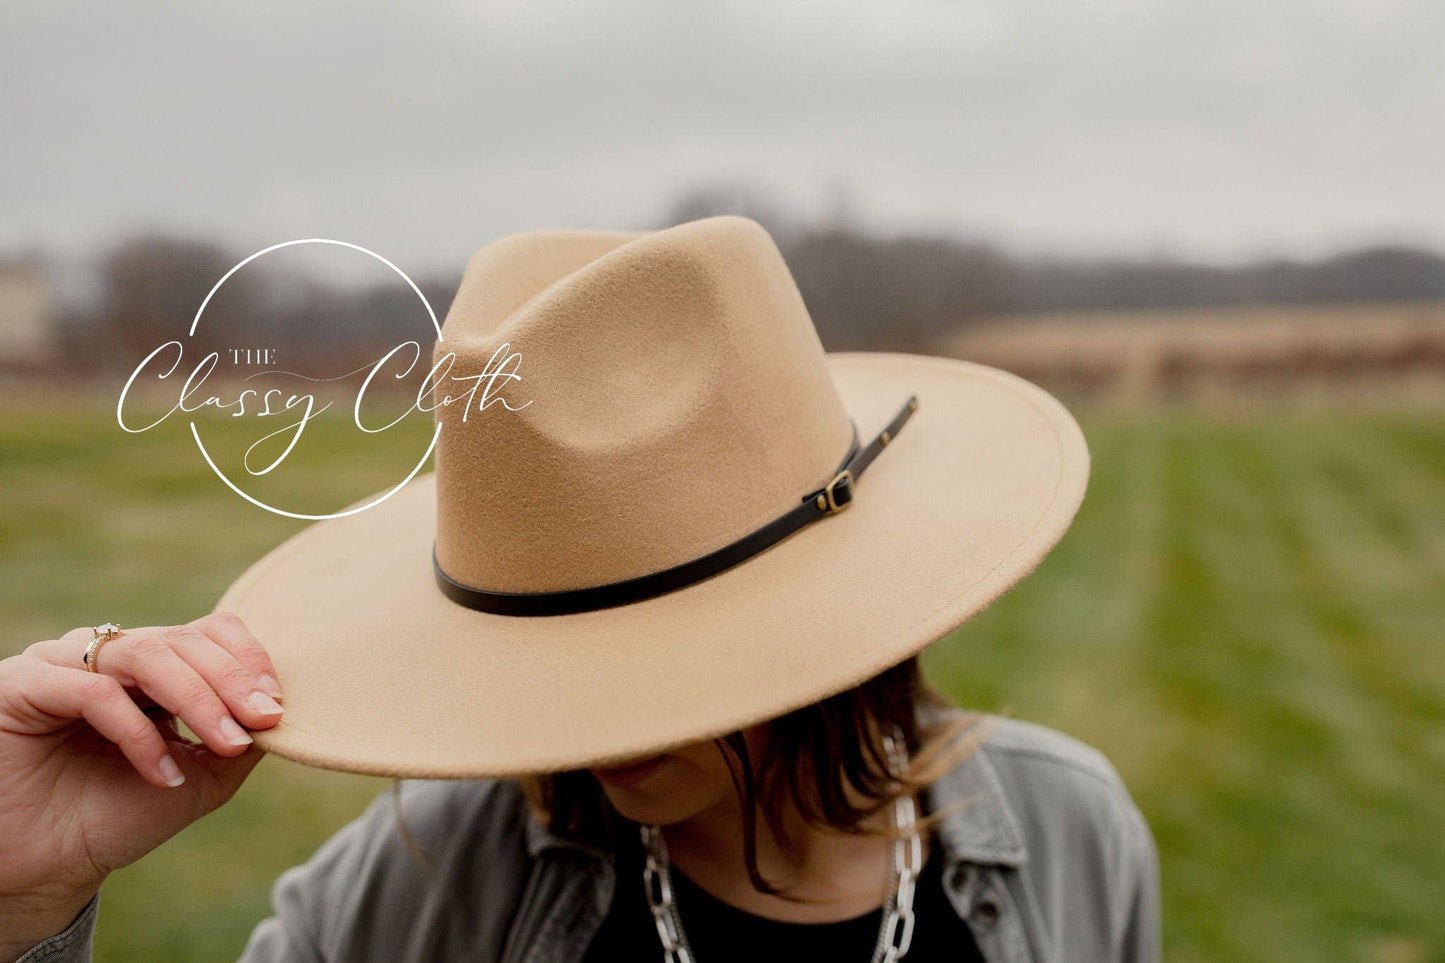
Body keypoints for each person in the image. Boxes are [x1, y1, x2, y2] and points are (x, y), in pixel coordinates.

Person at [0, 217, 1160, 962]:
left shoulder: (1070, 836)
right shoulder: (419, 888)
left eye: (641, 638)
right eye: (562, 646)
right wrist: (27, 893)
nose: (576, 732)